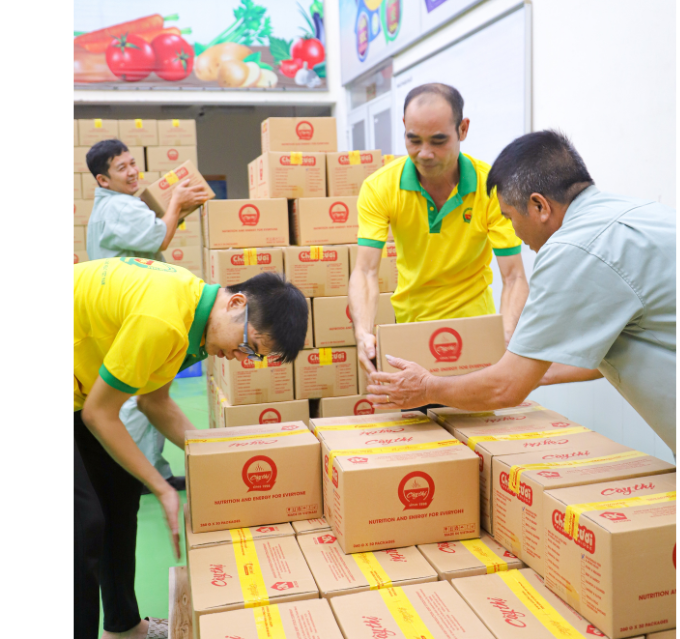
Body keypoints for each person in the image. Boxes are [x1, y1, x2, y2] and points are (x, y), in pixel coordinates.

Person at [365, 130, 676, 455]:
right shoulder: (634, 212)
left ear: (539, 206)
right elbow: (609, 350)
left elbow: (506, 388)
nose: (513, 230)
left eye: (510, 217)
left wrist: (428, 388)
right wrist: (530, 371)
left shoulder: (571, 248)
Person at [74, 259, 308, 639]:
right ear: (236, 303)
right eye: (248, 345)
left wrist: (216, 459)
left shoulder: (196, 324)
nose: (240, 358)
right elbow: (100, 415)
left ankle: (124, 627)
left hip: (80, 390)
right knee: (82, 524)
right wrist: (163, 488)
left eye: (253, 356)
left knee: (119, 492)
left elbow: (154, 401)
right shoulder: (165, 319)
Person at [349, 84, 529, 398]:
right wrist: (362, 332)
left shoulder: (491, 188)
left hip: (475, 332)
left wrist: (507, 333)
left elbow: (514, 276)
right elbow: (365, 271)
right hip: (411, 332)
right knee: (417, 422)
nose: (425, 153)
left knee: (477, 420)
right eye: (414, 140)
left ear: (463, 129)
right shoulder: (380, 187)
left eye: (438, 141)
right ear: (404, 128)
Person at [85, 138, 210, 493]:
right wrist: (176, 203)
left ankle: (155, 469)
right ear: (103, 180)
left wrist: (174, 210)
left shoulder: (113, 206)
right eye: (121, 168)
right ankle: (136, 475)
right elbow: (160, 237)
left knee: (147, 390)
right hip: (132, 310)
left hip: (123, 307)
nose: (132, 172)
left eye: (131, 163)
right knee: (131, 396)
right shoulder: (121, 208)